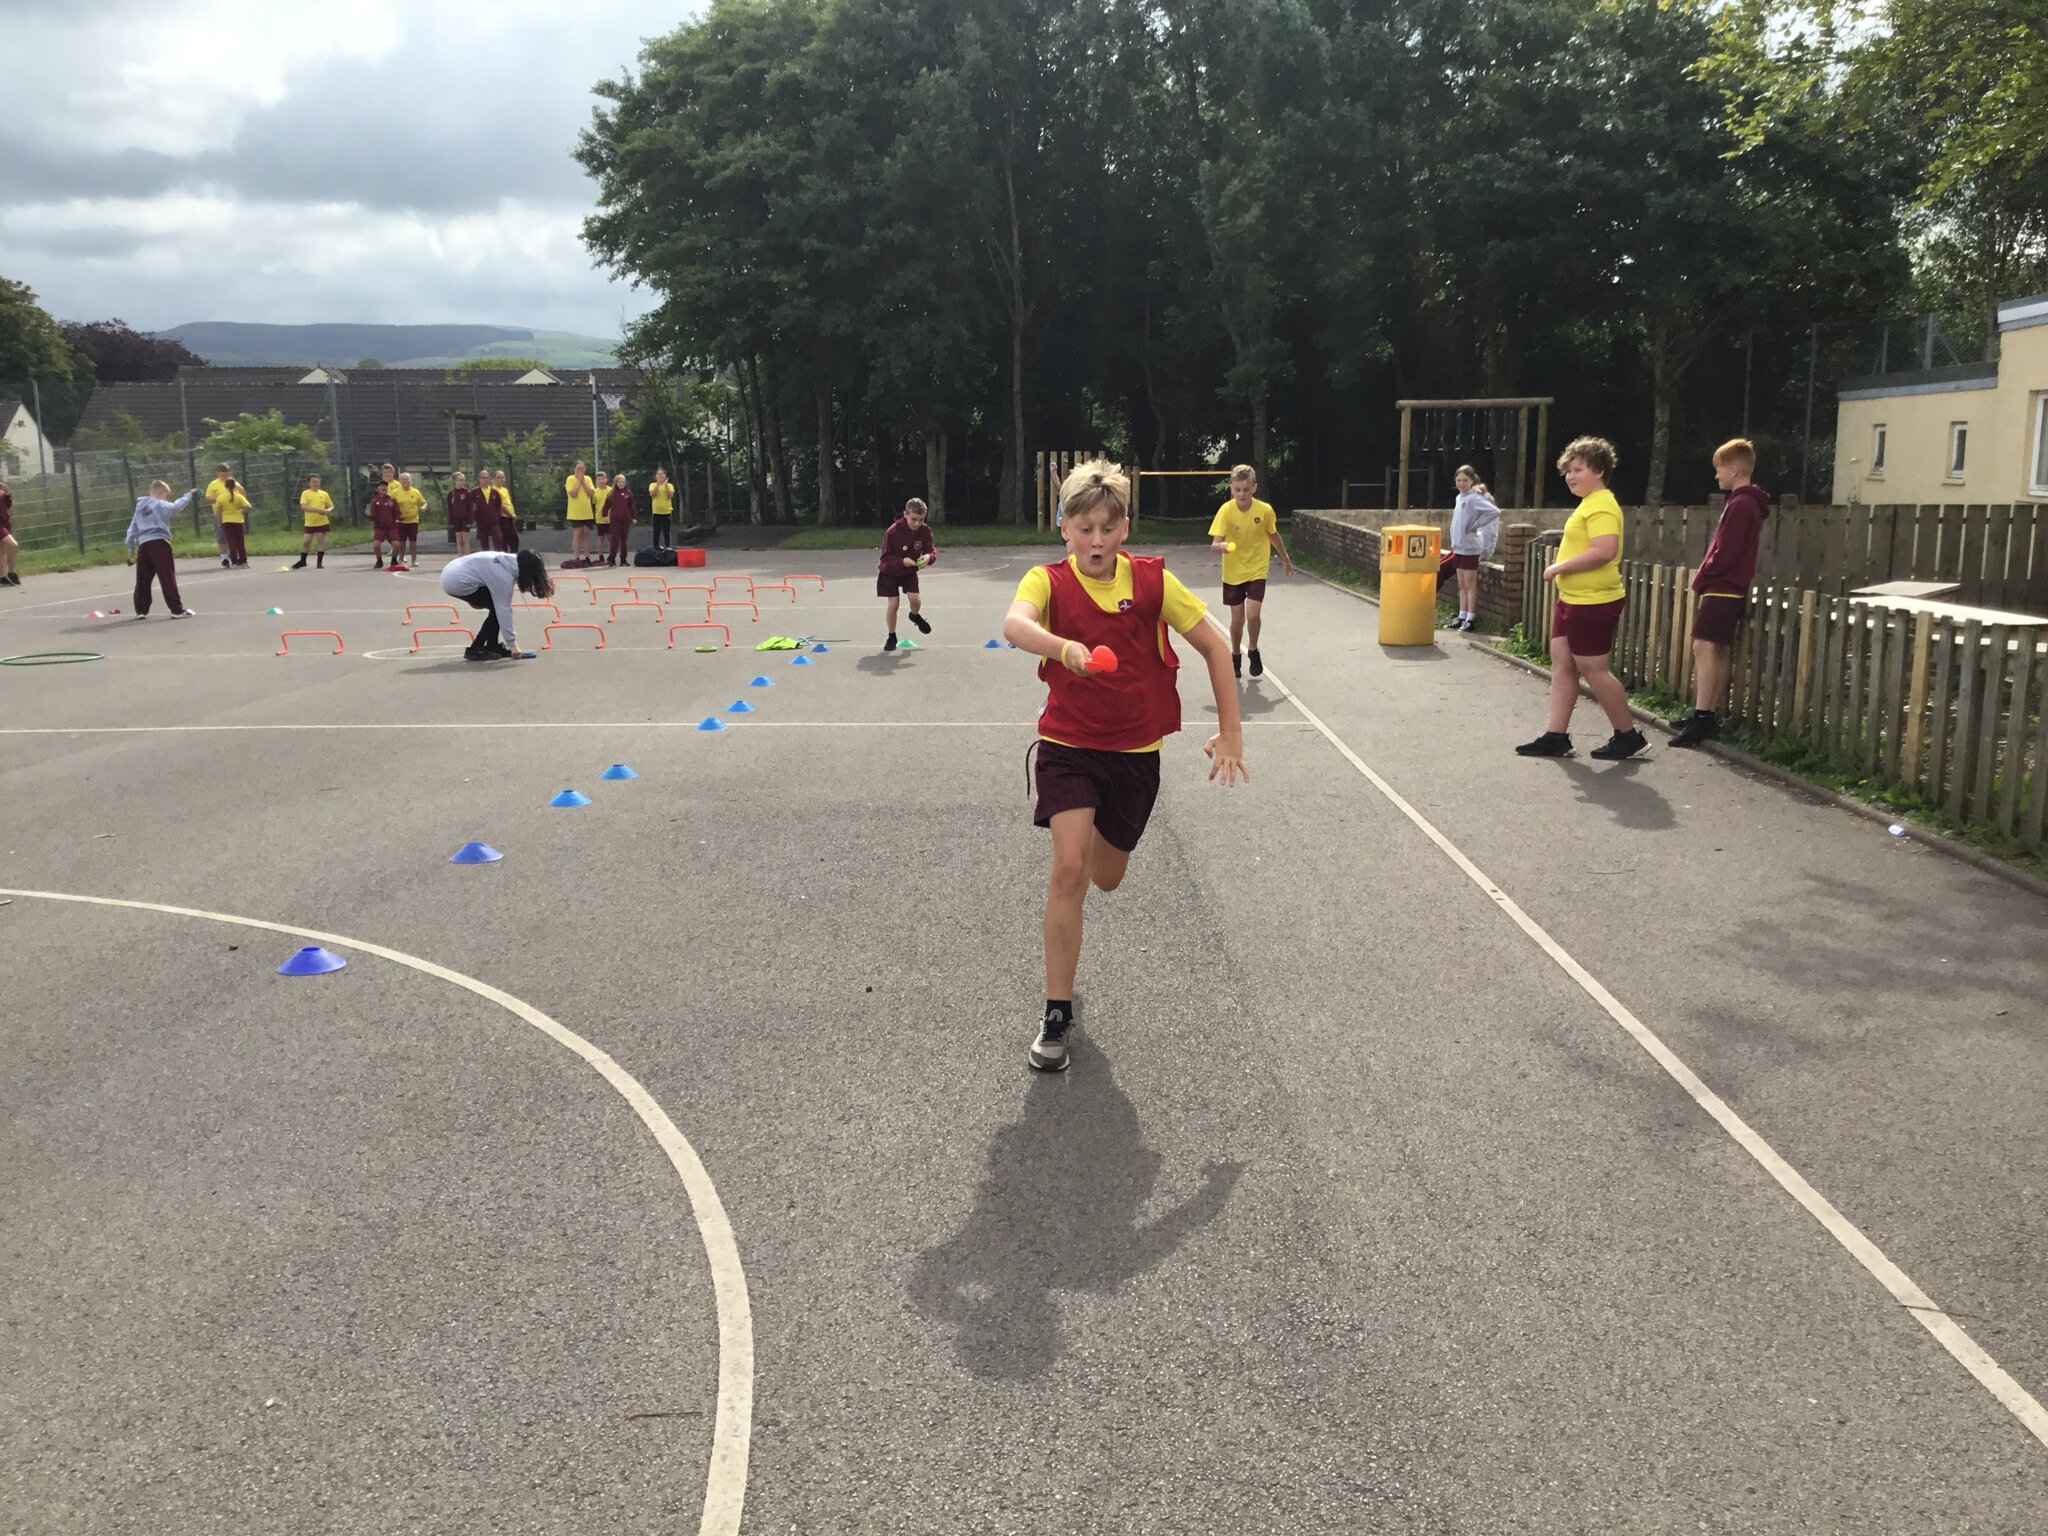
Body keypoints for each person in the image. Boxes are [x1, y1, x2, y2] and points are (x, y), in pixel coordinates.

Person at [1002, 460, 1247, 1073]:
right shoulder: (1047, 581)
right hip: (1068, 745)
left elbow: (1216, 645)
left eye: (1107, 529)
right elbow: (1014, 624)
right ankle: (1056, 1015)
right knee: (1068, 868)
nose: (1096, 541)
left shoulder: (1153, 584)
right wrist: (1064, 649)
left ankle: (1085, 879)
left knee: (1104, 877)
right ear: (1064, 528)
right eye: (1083, 528)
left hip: (1135, 756)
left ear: (1125, 529)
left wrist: (1232, 731)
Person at [1517, 436, 1645, 761]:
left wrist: (1559, 566)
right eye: (1567, 471)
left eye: (1578, 469)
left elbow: (1605, 551)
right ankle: (1556, 736)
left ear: (1599, 470)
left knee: (1593, 668)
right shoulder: (1589, 504)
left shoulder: (1602, 504)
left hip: (1594, 600)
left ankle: (1628, 735)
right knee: (1561, 661)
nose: (1570, 476)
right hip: (1573, 597)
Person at [1672, 438, 1771, 748]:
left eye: (1719, 470)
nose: (1716, 476)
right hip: (1730, 587)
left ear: (1734, 468)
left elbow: (1725, 552)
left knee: (1703, 646)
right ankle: (1707, 713)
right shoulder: (1745, 502)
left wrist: (1704, 577)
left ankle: (1702, 716)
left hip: (1723, 587)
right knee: (1718, 649)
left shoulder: (1741, 504)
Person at [1206, 463, 1293, 678]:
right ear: (1231, 488)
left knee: (1253, 614)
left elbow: (1273, 535)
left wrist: (1285, 558)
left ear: (1254, 488)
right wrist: (1222, 547)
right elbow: (1214, 544)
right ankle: (1235, 655)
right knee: (1237, 621)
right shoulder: (1226, 511)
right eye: (1237, 490)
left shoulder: (1264, 511)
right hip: (1233, 572)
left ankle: (1253, 650)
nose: (1242, 494)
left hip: (1256, 568)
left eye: (1246, 489)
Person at [439, 549, 554, 661]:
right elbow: (504, 610)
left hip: (453, 570)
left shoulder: (511, 561)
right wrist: (513, 646)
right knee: (497, 609)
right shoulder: (503, 577)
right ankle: (475, 649)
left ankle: (491, 646)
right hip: (456, 581)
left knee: (496, 608)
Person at [125, 481, 199, 618]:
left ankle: (141, 610)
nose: (166, 498)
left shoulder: (139, 508)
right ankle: (176, 609)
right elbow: (176, 507)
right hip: (159, 543)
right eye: (166, 495)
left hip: (143, 545)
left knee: (143, 579)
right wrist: (189, 495)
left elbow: (131, 531)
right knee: (167, 576)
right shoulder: (159, 504)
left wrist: (131, 549)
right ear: (160, 491)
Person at [1446, 465, 1501, 632]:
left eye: (1465, 480)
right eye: (1459, 480)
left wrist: (1476, 525)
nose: (1462, 483)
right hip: (1459, 546)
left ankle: (1470, 618)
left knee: (1470, 584)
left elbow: (1494, 511)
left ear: (1472, 481)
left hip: (1470, 547)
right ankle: (1461, 615)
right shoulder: (1459, 498)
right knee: (1461, 584)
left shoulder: (1474, 498)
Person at [877, 497, 937, 650]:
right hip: (890, 572)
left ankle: (914, 615)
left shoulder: (925, 530)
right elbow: (885, 558)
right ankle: (891, 636)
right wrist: (902, 561)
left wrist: (928, 557)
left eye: (921, 519)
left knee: (915, 600)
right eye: (914, 519)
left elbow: (931, 550)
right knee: (893, 604)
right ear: (905, 514)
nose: (917, 523)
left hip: (909, 572)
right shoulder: (893, 531)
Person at [291, 473, 332, 569]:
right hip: (310, 522)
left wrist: (328, 510)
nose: (315, 484)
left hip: (322, 522)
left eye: (317, 482)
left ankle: (319, 562)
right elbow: (304, 507)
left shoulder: (324, 494)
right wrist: (319, 510)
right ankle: (303, 561)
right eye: (313, 482)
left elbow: (330, 505)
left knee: (320, 540)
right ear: (309, 483)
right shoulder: (305, 493)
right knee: (306, 541)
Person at [391, 471, 427, 568]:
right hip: (400, 521)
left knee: (413, 541)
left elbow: (423, 502)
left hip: (413, 520)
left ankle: (414, 559)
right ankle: (401, 558)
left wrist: (423, 507)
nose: (405, 481)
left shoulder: (415, 492)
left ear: (411, 480)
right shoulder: (395, 493)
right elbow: (391, 506)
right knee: (401, 541)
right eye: (403, 479)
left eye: (407, 479)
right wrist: (397, 514)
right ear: (400, 481)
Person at [214, 474, 251, 567]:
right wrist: (241, 511)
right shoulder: (239, 496)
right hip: (238, 520)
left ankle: (234, 561)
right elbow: (248, 507)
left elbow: (218, 512)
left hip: (227, 521)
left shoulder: (221, 497)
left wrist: (220, 522)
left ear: (225, 486)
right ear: (235, 486)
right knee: (240, 542)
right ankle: (243, 561)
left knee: (231, 542)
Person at [564, 461, 596, 565]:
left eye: (583, 468)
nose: (581, 471)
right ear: (574, 469)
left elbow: (591, 493)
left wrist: (583, 482)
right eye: (578, 468)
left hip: (586, 511)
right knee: (577, 534)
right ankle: (576, 557)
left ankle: (587, 557)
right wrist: (579, 481)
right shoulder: (570, 479)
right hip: (575, 512)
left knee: (586, 535)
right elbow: (573, 493)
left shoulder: (588, 479)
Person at [203, 461, 234, 567]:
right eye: (222, 471)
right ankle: (224, 559)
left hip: (233, 513)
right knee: (221, 537)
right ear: (218, 473)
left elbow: (241, 494)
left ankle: (234, 556)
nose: (225, 473)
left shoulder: (233, 483)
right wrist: (221, 499)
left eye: (227, 471)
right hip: (220, 514)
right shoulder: (213, 484)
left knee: (234, 536)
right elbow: (208, 498)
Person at [368, 478, 401, 569]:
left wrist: (400, 516)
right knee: (376, 544)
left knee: (396, 544)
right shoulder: (375, 501)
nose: (384, 487)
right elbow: (372, 514)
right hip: (379, 527)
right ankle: (379, 560)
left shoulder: (392, 500)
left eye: (385, 486)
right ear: (377, 489)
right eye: (381, 486)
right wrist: (369, 516)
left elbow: (397, 513)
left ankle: (394, 560)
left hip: (391, 527)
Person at [445, 471, 479, 558]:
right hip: (456, 519)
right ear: (454, 481)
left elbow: (470, 508)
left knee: (465, 539)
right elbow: (449, 508)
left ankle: (467, 557)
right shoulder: (451, 494)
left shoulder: (467, 493)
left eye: (463, 480)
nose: (462, 482)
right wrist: (450, 521)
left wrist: (470, 520)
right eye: (459, 480)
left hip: (465, 519)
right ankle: (460, 557)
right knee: (458, 539)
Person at [606, 473, 635, 566]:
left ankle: (623, 559)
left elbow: (632, 506)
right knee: (614, 540)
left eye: (623, 482)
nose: (621, 484)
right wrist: (605, 515)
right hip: (615, 520)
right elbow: (606, 505)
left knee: (624, 541)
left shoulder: (628, 493)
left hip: (625, 520)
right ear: (616, 483)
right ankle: (611, 559)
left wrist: (633, 517)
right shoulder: (612, 493)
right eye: (619, 482)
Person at [492, 471, 520, 552]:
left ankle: (513, 557)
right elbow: (501, 505)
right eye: (498, 477)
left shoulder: (505, 490)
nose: (501, 479)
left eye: (502, 477)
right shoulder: (494, 490)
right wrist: (511, 514)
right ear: (494, 479)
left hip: (509, 518)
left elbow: (508, 503)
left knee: (514, 540)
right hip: (502, 518)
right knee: (504, 539)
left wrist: (513, 514)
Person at [648, 467, 675, 549]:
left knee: (666, 531)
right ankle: (655, 548)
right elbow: (652, 494)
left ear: (665, 476)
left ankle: (668, 548)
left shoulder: (670, 485)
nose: (660, 475)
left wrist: (665, 486)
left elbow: (670, 496)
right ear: (655, 476)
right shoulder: (652, 485)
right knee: (656, 532)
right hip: (656, 512)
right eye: (658, 474)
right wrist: (658, 485)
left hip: (667, 512)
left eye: (662, 474)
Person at [0, 474, 18, 586]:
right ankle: (11, 572)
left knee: (2, 550)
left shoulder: (1, 488)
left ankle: (3, 577)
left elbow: (7, 505)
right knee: (14, 545)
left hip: (5, 522)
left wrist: (7, 493)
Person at [592, 473, 613, 564]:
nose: (601, 481)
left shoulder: (611, 490)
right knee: (600, 537)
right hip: (599, 518)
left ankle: (611, 555)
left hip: (610, 518)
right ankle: (600, 556)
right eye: (599, 479)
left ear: (606, 479)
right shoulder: (595, 491)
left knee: (610, 537)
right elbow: (594, 503)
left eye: (602, 478)